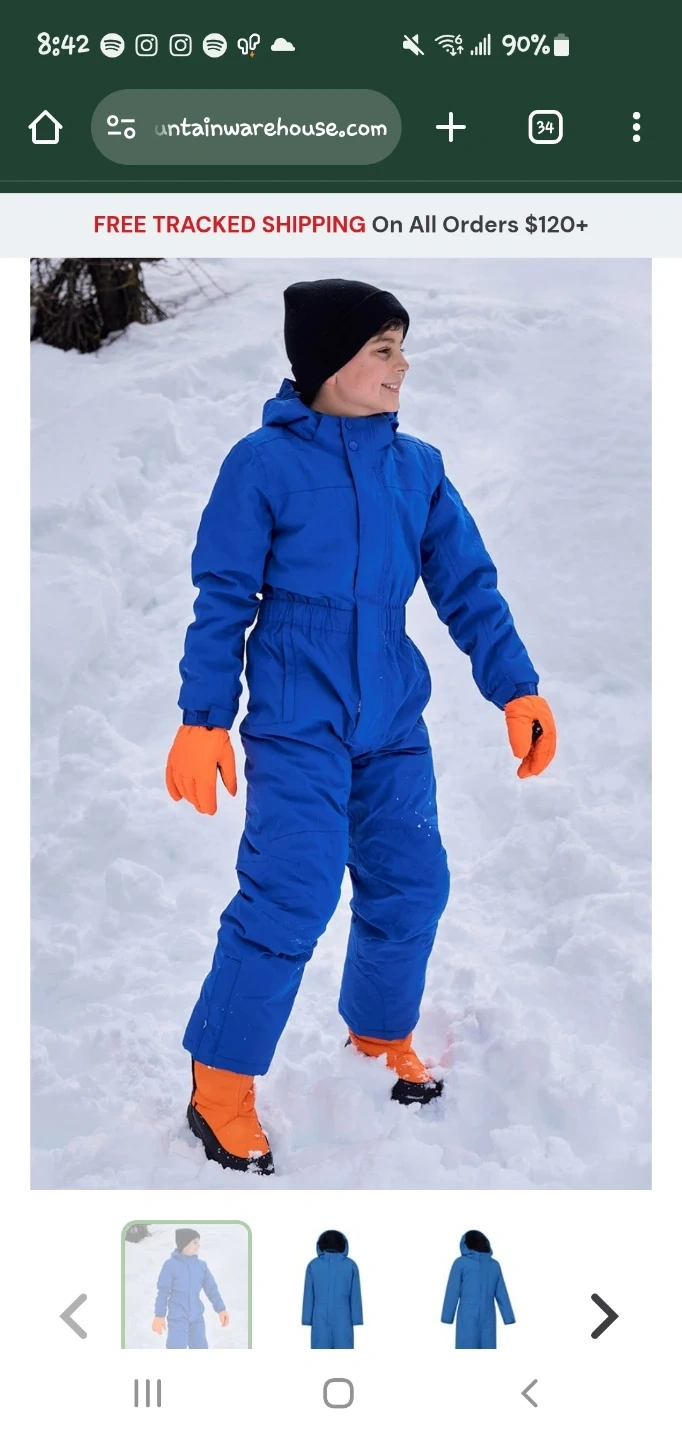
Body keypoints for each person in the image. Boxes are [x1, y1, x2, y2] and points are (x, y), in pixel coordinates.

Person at [166, 278, 557, 1175]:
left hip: (390, 713)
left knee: (412, 883)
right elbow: (223, 598)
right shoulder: (261, 465)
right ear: (330, 362)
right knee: (292, 891)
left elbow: (467, 586)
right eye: (383, 348)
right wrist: (202, 719)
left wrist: (517, 689)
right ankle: (218, 1080)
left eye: (400, 347)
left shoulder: (415, 468)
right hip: (297, 716)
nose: (402, 365)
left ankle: (379, 1037)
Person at [152, 1229, 229, 1349]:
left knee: (200, 1347)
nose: (198, 1245)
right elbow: (163, 1292)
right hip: (177, 1317)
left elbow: (212, 1289)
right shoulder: (170, 1265)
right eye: (195, 1242)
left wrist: (221, 1309)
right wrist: (159, 1315)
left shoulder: (201, 1266)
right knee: (176, 1347)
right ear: (184, 1243)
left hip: (196, 1316)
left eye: (198, 1242)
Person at [441, 1230, 515, 1349]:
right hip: (468, 1317)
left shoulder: (494, 1265)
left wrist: (508, 1317)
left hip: (486, 1317)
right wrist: (447, 1316)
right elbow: (452, 1291)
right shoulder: (461, 1264)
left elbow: (501, 1292)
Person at [302, 1230, 363, 1349]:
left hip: (324, 1318)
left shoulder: (313, 1265)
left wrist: (307, 1318)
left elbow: (309, 1295)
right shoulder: (350, 1265)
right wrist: (356, 1318)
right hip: (341, 1318)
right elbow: (355, 1295)